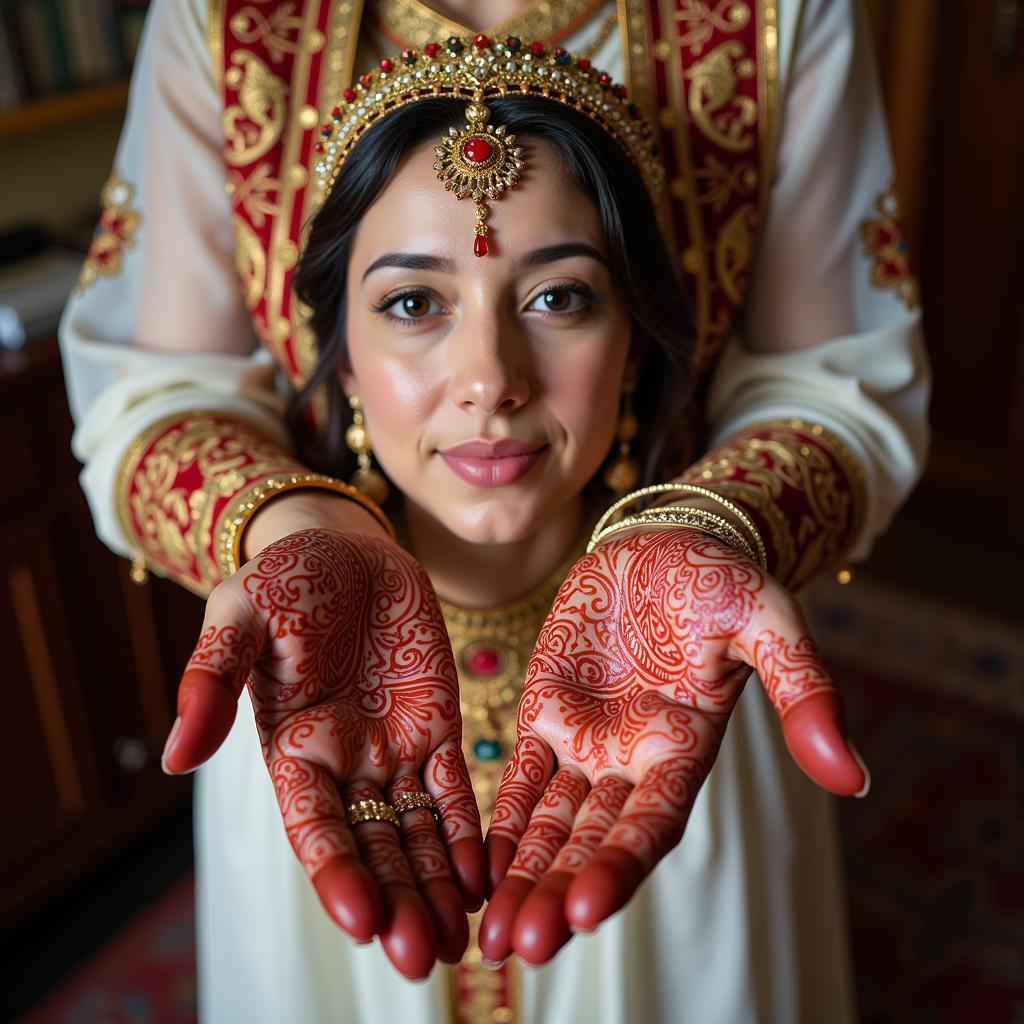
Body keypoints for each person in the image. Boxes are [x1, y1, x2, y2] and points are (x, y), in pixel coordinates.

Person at [58, 2, 929, 1022]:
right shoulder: (226, 15)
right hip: (328, 700)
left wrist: (707, 531)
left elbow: (837, 380)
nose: (490, 381)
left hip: (661, 692)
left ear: (634, 335)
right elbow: (149, 391)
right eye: (412, 303)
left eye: (559, 299)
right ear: (341, 342)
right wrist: (290, 528)